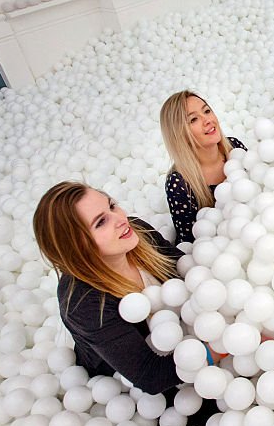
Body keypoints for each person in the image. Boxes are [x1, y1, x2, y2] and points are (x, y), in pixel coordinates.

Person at [34, 181, 223, 395]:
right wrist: (224, 346)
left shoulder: (139, 234)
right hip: (124, 385)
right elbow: (150, 376)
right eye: (101, 222)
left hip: (183, 339)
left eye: (112, 206)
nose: (121, 219)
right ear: (77, 247)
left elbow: (189, 276)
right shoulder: (84, 303)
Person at [161, 90, 246, 244]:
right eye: (193, 119)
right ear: (180, 134)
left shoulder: (234, 147)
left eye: (207, 111)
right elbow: (190, 243)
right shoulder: (179, 183)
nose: (207, 120)